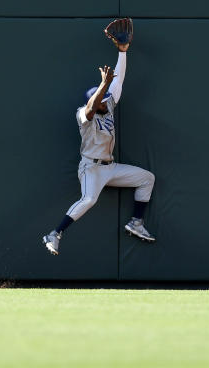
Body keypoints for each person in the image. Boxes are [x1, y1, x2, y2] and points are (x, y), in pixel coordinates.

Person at [42, 19, 156, 256]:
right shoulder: (84, 114)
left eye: (105, 98)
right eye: (102, 98)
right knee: (90, 200)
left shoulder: (108, 105)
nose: (106, 102)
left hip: (110, 167)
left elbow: (120, 80)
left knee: (147, 178)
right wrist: (103, 86)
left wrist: (122, 53)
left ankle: (136, 222)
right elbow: (92, 108)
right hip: (91, 169)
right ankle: (55, 233)